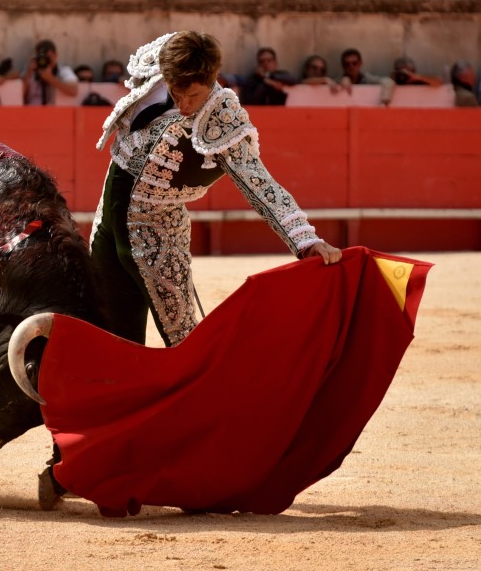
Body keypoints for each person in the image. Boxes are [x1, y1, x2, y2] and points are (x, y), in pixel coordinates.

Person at [37, 30, 341, 509]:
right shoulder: (161, 72)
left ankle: (211, 471)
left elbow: (260, 183)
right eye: (176, 89)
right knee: (107, 348)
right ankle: (69, 466)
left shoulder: (223, 117)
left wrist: (305, 240)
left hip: (159, 243)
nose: (181, 100)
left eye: (192, 93)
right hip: (107, 233)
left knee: (189, 352)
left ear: (213, 82)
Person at [22, 39, 79, 105]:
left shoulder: (63, 71)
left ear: (55, 56)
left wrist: (51, 79)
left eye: (48, 57)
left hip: (55, 112)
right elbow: (19, 95)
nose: (46, 61)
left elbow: (73, 91)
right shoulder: (30, 71)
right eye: (43, 58)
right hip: (32, 111)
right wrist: (29, 73)